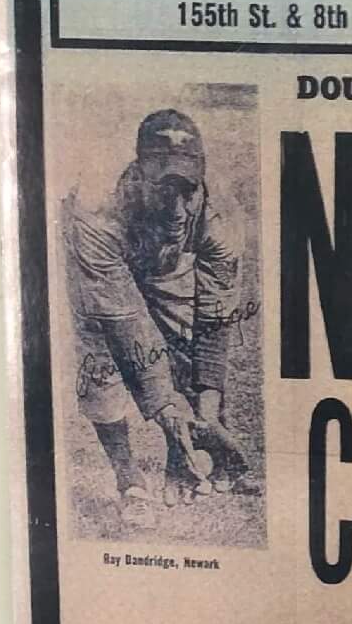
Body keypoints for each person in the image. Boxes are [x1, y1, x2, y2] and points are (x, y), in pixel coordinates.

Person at [63, 109, 256, 526]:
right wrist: (166, 411)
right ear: (138, 177)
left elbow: (214, 318)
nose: (177, 208)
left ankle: (184, 454)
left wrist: (207, 415)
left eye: (186, 191)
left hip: (167, 261)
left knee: (184, 341)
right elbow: (125, 324)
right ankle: (130, 480)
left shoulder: (220, 212)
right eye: (163, 190)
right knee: (101, 364)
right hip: (107, 261)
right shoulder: (96, 207)